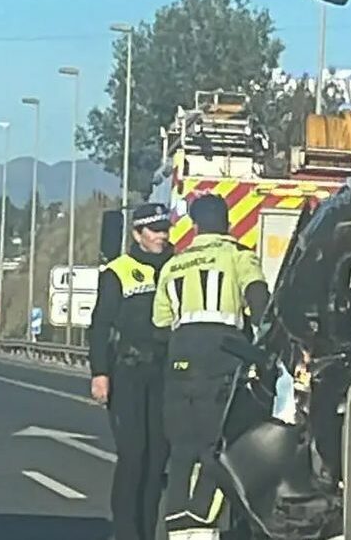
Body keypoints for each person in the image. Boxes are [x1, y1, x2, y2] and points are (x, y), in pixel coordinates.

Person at [152, 194, 270, 540]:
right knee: (216, 446)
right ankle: (202, 524)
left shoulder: (174, 265)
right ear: (227, 222)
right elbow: (259, 301)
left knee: (181, 449)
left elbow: (160, 322)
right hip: (221, 358)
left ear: (196, 225)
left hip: (178, 361)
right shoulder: (237, 256)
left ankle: (177, 527)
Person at [88, 203, 174, 540]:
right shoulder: (118, 271)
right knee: (133, 455)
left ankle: (146, 531)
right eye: (154, 230)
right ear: (137, 234)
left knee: (157, 460)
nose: (161, 237)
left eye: (165, 229)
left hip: (165, 373)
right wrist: (99, 373)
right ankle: (125, 531)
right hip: (128, 371)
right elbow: (100, 326)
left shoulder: (175, 266)